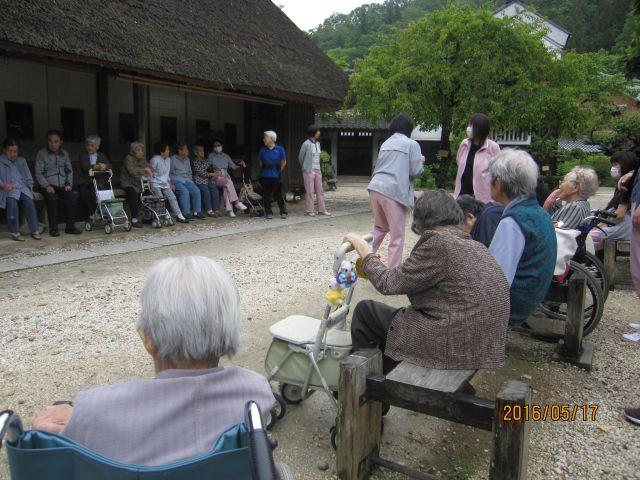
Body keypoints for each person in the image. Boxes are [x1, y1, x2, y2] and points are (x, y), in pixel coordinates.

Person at [32, 256, 275, 466]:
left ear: (147, 339)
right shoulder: (256, 393)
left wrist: (70, 423)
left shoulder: (94, 410)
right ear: (228, 330)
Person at [344, 190, 509, 373]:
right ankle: (385, 374)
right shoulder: (475, 245)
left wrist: (365, 251)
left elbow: (388, 283)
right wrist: (374, 264)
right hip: (481, 345)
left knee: (366, 311)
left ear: (422, 221)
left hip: (454, 345)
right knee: (396, 323)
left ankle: (363, 385)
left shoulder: (439, 243)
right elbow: (410, 276)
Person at [488, 150, 557, 326]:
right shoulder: (539, 212)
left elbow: (497, 279)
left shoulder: (513, 221)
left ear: (499, 183)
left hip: (514, 305)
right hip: (531, 296)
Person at [367, 113, 424, 268]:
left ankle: (361, 261)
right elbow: (416, 171)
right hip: (393, 191)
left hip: (375, 187)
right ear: (409, 129)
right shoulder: (412, 144)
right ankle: (393, 274)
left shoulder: (386, 143)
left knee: (379, 228)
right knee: (397, 236)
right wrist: (421, 161)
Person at [34, 129, 82, 236]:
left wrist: (69, 183)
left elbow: (69, 170)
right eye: (50, 141)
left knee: (72, 197)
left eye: (56, 141)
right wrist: (46, 185)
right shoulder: (41, 154)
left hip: (62, 185)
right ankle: (53, 229)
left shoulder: (64, 154)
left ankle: (70, 227)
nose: (53, 144)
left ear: (60, 142)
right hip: (47, 185)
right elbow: (38, 173)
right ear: (47, 141)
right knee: (52, 199)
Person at [589, 152, 638, 252]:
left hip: (625, 226)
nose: (613, 168)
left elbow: (619, 215)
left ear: (626, 164)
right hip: (622, 224)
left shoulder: (627, 184)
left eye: (616, 164)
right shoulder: (622, 184)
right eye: (612, 165)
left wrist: (600, 226)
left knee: (590, 238)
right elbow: (611, 209)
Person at [454, 113, 501, 203]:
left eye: (470, 125)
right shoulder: (464, 144)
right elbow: (459, 161)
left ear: (479, 128)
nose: (468, 128)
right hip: (462, 196)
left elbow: (498, 173)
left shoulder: (493, 147)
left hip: (483, 199)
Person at [0, 138, 41, 241]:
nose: (13, 154)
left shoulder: (21, 160)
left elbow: (28, 176)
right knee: (12, 203)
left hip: (22, 187)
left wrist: (31, 189)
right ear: (4, 150)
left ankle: (34, 230)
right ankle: (15, 232)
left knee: (30, 201)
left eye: (15, 151)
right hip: (7, 189)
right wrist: (3, 185)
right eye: (10, 151)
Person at [207, 140, 247, 217]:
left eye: (218, 145)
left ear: (222, 146)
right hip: (217, 176)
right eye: (215, 146)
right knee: (229, 182)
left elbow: (233, 167)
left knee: (226, 188)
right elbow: (208, 166)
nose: (217, 147)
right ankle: (236, 202)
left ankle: (230, 210)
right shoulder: (211, 155)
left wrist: (241, 164)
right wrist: (212, 167)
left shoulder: (226, 156)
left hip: (225, 177)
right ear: (213, 148)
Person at [150, 142, 187, 223]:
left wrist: (170, 182)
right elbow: (150, 173)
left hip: (165, 182)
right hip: (155, 182)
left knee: (172, 198)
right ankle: (164, 215)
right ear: (161, 151)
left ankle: (179, 215)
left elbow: (167, 174)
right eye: (167, 150)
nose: (168, 151)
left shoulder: (168, 159)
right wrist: (151, 183)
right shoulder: (155, 159)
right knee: (160, 199)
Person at [77, 134, 111, 222]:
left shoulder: (101, 155)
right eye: (88, 145)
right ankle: (92, 213)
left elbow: (109, 165)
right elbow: (85, 166)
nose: (89, 147)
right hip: (85, 181)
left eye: (92, 146)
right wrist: (94, 167)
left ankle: (98, 213)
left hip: (98, 182)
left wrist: (104, 166)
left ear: (97, 147)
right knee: (85, 193)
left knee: (94, 192)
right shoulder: (83, 155)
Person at [299, 125, 330, 217]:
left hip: (317, 169)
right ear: (313, 132)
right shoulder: (306, 144)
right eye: (317, 131)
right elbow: (301, 157)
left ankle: (322, 210)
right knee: (310, 191)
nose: (319, 133)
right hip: (308, 170)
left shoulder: (318, 143)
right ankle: (310, 210)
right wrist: (305, 167)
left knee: (320, 190)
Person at [120, 142, 151, 228]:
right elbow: (131, 170)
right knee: (134, 196)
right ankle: (134, 219)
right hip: (128, 183)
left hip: (139, 183)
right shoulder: (128, 158)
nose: (141, 152)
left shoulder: (142, 159)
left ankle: (146, 216)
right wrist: (144, 170)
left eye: (142, 150)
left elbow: (149, 167)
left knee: (148, 194)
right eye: (138, 150)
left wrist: (148, 170)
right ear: (133, 151)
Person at [170, 142, 204, 220]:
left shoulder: (187, 159)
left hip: (187, 180)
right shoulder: (172, 159)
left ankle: (197, 212)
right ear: (180, 151)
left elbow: (189, 172)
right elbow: (169, 173)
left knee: (196, 191)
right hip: (176, 180)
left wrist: (191, 181)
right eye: (185, 149)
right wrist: (171, 183)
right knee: (185, 192)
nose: (188, 150)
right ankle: (186, 213)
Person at [258, 131, 287, 220]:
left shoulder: (280, 149)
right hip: (265, 175)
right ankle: (268, 212)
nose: (264, 139)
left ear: (271, 139)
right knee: (266, 195)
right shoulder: (262, 149)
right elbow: (260, 163)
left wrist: (279, 171)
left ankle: (283, 211)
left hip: (275, 175)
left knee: (278, 194)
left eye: (265, 138)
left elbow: (284, 162)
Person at [192, 144, 222, 217]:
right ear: (196, 153)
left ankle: (216, 209)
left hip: (207, 179)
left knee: (214, 189)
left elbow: (211, 167)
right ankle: (209, 210)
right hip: (199, 180)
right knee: (206, 191)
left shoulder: (206, 160)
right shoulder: (195, 161)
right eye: (200, 151)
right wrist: (212, 174)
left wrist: (215, 173)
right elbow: (201, 173)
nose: (203, 152)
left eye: (203, 151)